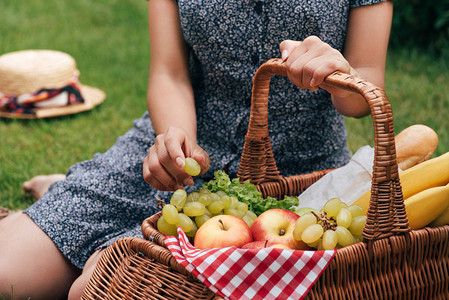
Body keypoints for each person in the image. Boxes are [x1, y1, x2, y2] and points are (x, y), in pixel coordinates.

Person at [0, 0, 393, 298]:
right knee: (7, 273)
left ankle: (86, 232)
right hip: (176, 148)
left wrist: (339, 74)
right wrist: (175, 138)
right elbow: (169, 72)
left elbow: (364, 89)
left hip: (292, 175)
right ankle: (71, 203)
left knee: (94, 291)